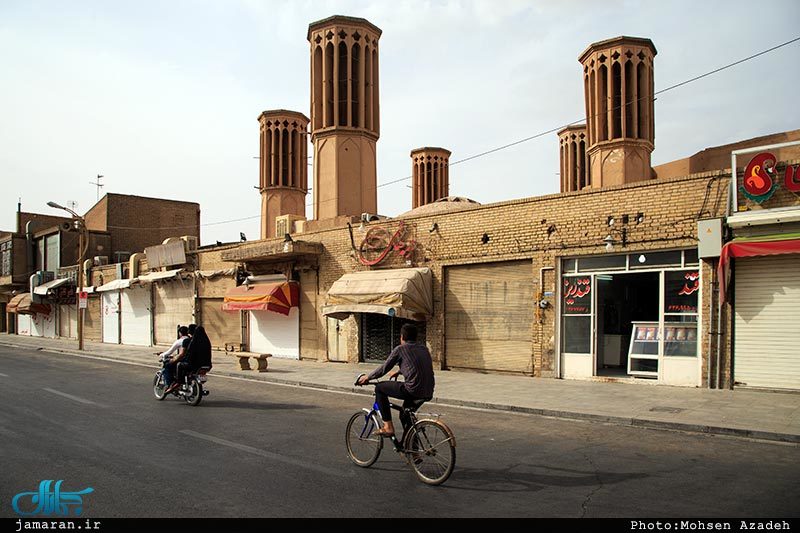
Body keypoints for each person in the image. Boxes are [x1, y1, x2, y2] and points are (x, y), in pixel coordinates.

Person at [357, 323, 434, 437]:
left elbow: (384, 368)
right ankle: (412, 447)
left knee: (380, 388)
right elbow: (417, 366)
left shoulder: (400, 349)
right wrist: (399, 371)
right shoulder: (424, 349)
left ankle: (388, 427)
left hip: (412, 390)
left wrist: (368, 377)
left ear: (402, 337)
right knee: (405, 415)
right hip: (428, 391)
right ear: (416, 337)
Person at [174, 325, 212, 389]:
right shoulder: (207, 342)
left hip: (194, 364)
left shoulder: (192, 342)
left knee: (179, 365)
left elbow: (189, 354)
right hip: (207, 365)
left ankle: (179, 382)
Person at [165, 323, 196, 393]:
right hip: (203, 363)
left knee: (170, 365)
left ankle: (175, 384)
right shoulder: (202, 340)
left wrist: (173, 359)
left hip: (190, 362)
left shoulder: (186, 341)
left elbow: (181, 354)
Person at [158, 325, 189, 390]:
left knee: (167, 366)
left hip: (182, 359)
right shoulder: (191, 340)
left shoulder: (180, 341)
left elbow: (169, 352)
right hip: (189, 359)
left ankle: (170, 384)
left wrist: (162, 354)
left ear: (180, 333)